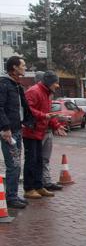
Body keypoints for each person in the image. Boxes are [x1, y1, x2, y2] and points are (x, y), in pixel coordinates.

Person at [22, 72, 67, 199]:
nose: (57, 85)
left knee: (39, 160)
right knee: (31, 161)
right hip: (31, 132)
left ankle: (38, 186)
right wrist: (43, 116)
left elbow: (48, 113)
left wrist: (56, 125)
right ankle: (29, 188)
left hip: (39, 132)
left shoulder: (47, 93)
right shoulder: (34, 91)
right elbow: (28, 109)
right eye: (56, 83)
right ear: (49, 83)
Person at [0, 56, 35, 209]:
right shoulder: (4, 84)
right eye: (23, 65)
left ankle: (12, 195)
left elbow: (23, 107)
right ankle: (11, 197)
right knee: (13, 165)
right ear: (14, 68)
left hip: (17, 129)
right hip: (9, 131)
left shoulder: (16, 85)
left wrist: (28, 121)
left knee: (16, 164)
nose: (25, 67)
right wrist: (5, 128)